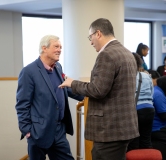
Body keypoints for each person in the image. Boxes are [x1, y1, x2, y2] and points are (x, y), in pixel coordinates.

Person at [59, 18, 139, 160]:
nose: (90, 42)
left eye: (90, 37)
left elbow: (98, 90)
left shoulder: (106, 54)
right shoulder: (126, 53)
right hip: (123, 128)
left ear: (98, 33)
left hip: (109, 129)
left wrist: (72, 83)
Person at [15, 35, 84, 160]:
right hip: (38, 132)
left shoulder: (58, 67)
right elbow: (22, 104)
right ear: (44, 48)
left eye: (60, 47)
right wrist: (28, 131)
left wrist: (87, 95)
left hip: (59, 130)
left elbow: (65, 87)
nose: (59, 50)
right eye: (56, 46)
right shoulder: (28, 71)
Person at [127, 53, 154, 151]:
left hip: (135, 110)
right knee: (146, 140)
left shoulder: (127, 77)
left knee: (133, 142)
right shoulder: (146, 76)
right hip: (149, 109)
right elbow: (152, 93)